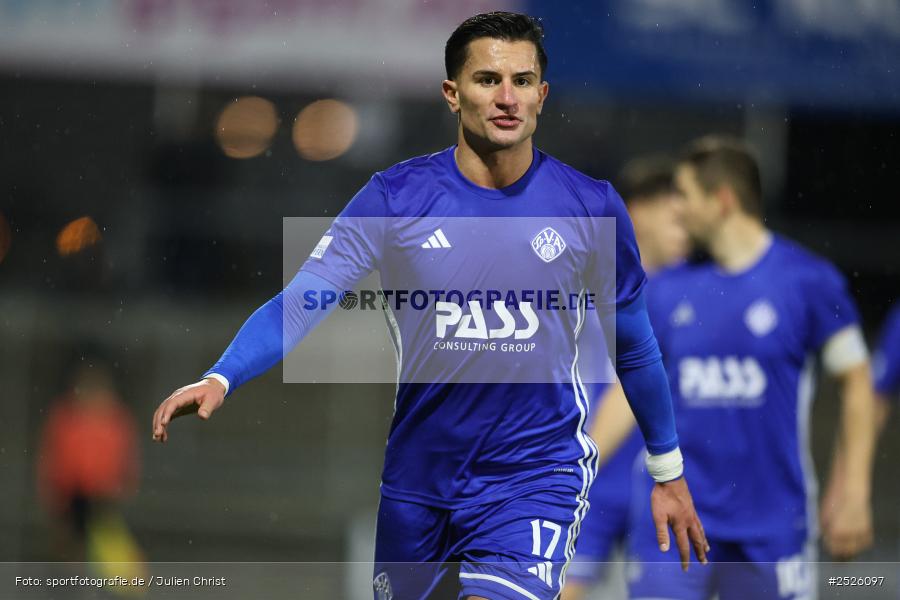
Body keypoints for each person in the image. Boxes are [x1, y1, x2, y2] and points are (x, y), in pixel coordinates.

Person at [151, 13, 708, 600]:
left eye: (522, 81)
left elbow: (636, 345)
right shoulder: (395, 197)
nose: (506, 97)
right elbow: (303, 299)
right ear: (452, 93)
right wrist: (224, 374)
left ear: (542, 95)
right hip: (418, 486)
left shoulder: (590, 206)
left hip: (534, 479)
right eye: (487, 79)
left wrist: (667, 471)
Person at [626, 136, 876, 600]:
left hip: (772, 527)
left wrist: (855, 490)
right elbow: (635, 390)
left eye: (684, 194)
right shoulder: (666, 291)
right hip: (679, 517)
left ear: (722, 200)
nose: (676, 209)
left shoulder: (809, 281)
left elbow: (857, 382)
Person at [563, 157, 689, 600]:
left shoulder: (691, 297)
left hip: (657, 484)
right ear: (636, 211)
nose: (685, 227)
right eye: (675, 215)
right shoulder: (584, 283)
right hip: (590, 484)